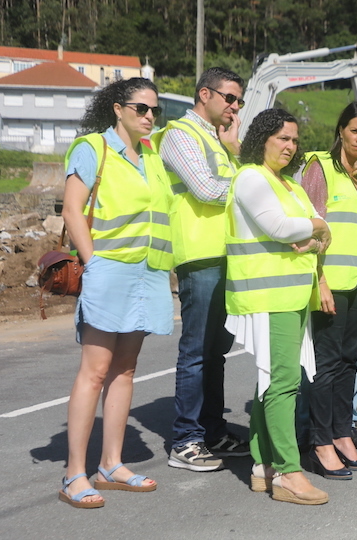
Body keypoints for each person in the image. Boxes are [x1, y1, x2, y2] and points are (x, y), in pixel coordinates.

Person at [59, 77, 173, 508]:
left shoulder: (152, 155)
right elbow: (72, 208)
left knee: (126, 369)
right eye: (141, 108)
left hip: (147, 273)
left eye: (154, 111)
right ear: (118, 109)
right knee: (95, 369)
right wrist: (94, 263)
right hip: (109, 270)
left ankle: (111, 463)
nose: (148, 117)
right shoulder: (92, 148)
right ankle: (74, 473)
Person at [224, 108, 330, 505]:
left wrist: (317, 230)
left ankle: (262, 465)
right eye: (282, 137)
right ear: (262, 138)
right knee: (284, 382)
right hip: (268, 296)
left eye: (295, 140)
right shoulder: (251, 177)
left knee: (271, 380)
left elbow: (322, 232)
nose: (290, 146)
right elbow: (282, 228)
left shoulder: (288, 185)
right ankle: (288, 471)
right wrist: (315, 227)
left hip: (290, 295)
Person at [153, 67, 249, 473]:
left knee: (216, 353)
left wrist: (235, 151)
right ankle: (186, 439)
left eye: (239, 101)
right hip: (200, 257)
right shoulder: (180, 134)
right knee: (196, 353)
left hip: (226, 256)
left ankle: (212, 431)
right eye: (229, 98)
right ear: (204, 94)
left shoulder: (217, 141)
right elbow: (207, 190)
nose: (235, 106)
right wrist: (254, 186)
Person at [297, 102, 357, 479]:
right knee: (326, 364)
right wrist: (318, 278)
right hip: (331, 282)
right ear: (341, 130)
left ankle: (341, 434)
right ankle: (320, 441)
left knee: (349, 362)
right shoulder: (320, 166)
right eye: (354, 130)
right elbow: (311, 226)